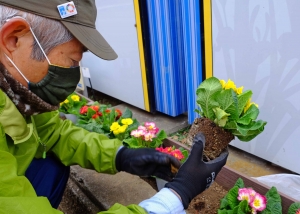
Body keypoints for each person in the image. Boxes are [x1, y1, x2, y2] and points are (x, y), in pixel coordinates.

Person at [0, 0, 228, 213]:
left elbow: (53, 134)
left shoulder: (18, 94)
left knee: (51, 163)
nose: (74, 72)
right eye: (72, 61)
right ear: (13, 39)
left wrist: (121, 156)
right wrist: (175, 196)